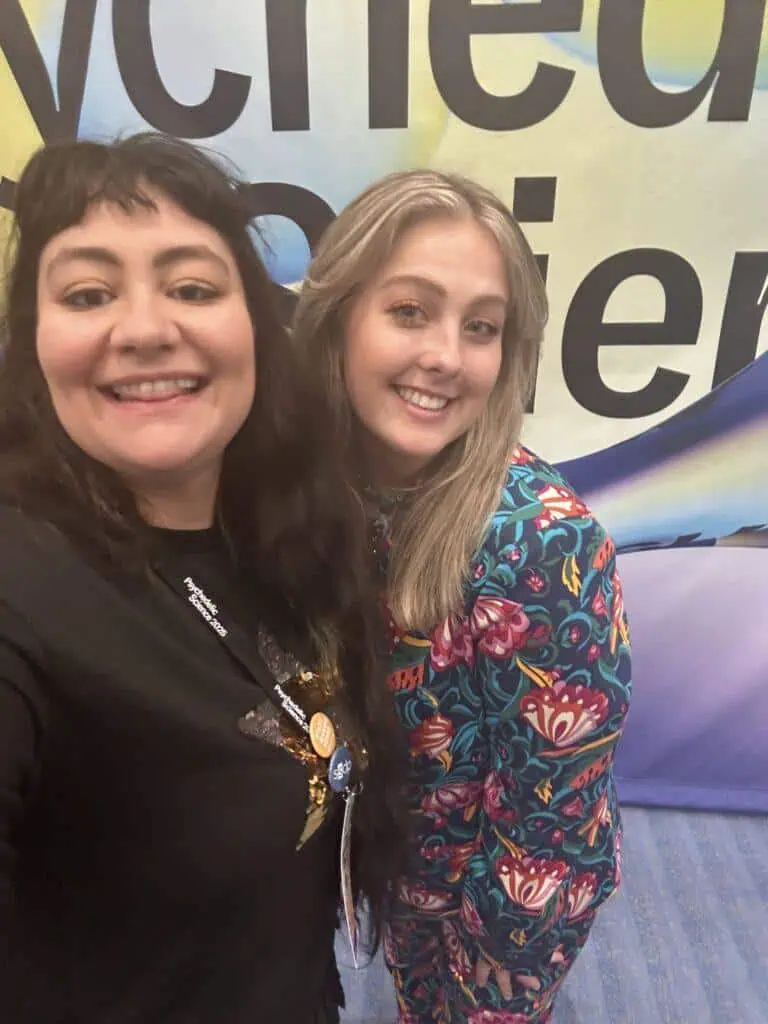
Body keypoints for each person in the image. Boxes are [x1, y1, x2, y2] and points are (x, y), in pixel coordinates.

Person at [0, 134, 406, 1023]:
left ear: (255, 328)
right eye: (87, 294)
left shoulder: (282, 530)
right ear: (34, 345)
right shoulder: (20, 586)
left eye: (191, 288)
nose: (146, 330)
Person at [292, 170, 632, 1022]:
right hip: (402, 868)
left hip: (503, 904)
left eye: (481, 327)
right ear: (338, 319)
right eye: (411, 311)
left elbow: (548, 824)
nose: (447, 356)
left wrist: (498, 972)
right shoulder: (308, 490)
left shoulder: (540, 543)